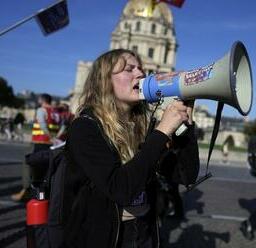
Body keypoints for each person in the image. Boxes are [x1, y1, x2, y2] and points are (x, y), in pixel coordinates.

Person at [62, 49, 200, 248]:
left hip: (143, 233)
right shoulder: (85, 127)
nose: (141, 74)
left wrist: (185, 127)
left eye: (141, 68)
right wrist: (161, 133)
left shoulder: (144, 125)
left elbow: (185, 175)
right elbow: (120, 189)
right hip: (102, 236)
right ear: (105, 80)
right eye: (129, 69)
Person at [11, 94, 60, 201]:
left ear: (42, 100)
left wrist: (50, 136)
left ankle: (26, 190)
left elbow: (42, 125)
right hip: (52, 144)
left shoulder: (41, 110)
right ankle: (44, 193)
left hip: (40, 142)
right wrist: (55, 138)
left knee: (28, 163)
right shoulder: (56, 112)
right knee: (46, 168)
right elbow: (63, 126)